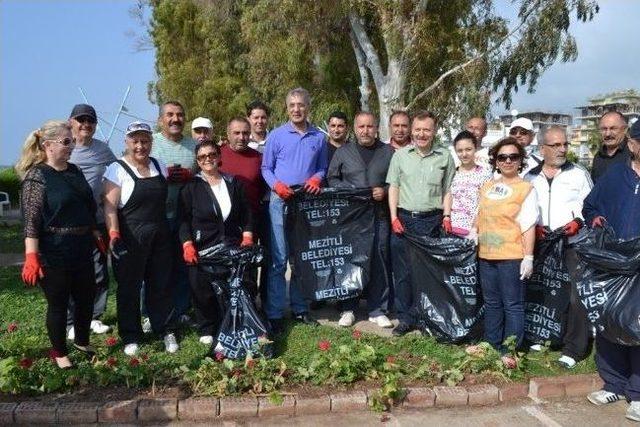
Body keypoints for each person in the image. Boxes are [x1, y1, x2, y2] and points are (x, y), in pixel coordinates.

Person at [16, 120, 100, 369]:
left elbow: (86, 205)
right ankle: (60, 352)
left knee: (87, 297)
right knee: (59, 303)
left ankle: (82, 342)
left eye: (71, 141)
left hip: (82, 247)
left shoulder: (74, 171)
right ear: (48, 145)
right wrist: (32, 256)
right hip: (54, 251)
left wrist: (96, 233)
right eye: (66, 142)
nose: (71, 145)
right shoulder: (36, 177)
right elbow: (31, 221)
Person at [103, 122, 178, 356]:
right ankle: (130, 335)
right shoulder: (116, 169)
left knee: (161, 284)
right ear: (126, 142)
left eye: (144, 140)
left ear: (151, 142)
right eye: (135, 141)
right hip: (130, 237)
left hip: (160, 234)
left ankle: (164, 329)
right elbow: (109, 206)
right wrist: (114, 234)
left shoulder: (159, 166)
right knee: (129, 287)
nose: (140, 146)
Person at [582, 118, 640, 421]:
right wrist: (596, 220)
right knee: (609, 321)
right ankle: (613, 382)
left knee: (638, 325)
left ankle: (638, 392)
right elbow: (590, 206)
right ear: (632, 145)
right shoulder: (616, 175)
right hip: (613, 262)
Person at [261, 87, 328, 334]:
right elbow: (266, 168)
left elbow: (322, 168)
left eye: (301, 105)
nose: (297, 109)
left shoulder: (318, 138)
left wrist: (317, 179)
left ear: (308, 107)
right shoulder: (276, 136)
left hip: (305, 202)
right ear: (286, 108)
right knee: (279, 260)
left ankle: (300, 308)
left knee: (300, 259)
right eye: (292, 105)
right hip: (280, 200)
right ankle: (275, 313)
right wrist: (276, 186)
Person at [524, 126, 593, 368]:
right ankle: (543, 336)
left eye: (565, 144)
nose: (562, 149)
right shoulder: (530, 176)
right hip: (543, 243)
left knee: (576, 295)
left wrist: (578, 221)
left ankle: (574, 348)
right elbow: (524, 209)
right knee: (544, 292)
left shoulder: (578, 174)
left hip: (573, 243)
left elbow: (591, 206)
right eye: (556, 145)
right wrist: (534, 228)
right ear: (542, 148)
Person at [386, 111, 455, 336]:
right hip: (404, 221)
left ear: (434, 131)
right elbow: (393, 187)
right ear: (412, 131)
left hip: (432, 221)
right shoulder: (400, 156)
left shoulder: (445, 156)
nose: (421, 134)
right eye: (418, 129)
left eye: (427, 130)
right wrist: (394, 217)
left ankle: (427, 319)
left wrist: (446, 216)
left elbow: (448, 190)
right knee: (403, 273)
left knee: (428, 274)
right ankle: (405, 318)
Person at [178, 141, 254, 345]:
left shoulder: (233, 183)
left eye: (211, 154)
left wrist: (247, 236)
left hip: (231, 244)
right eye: (202, 157)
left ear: (219, 157)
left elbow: (246, 214)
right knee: (201, 287)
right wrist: (187, 244)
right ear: (197, 161)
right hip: (203, 246)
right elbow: (183, 220)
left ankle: (236, 322)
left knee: (240, 284)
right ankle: (207, 327)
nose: (208, 159)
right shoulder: (191, 187)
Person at [474, 137, 538, 368]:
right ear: (496, 161)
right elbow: (481, 214)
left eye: (513, 157)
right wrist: (474, 231)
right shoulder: (488, 186)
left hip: (512, 256)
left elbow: (528, 225)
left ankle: (510, 349)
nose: (508, 161)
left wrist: (528, 257)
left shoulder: (526, 189)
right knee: (492, 303)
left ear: (521, 160)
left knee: (512, 304)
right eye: (503, 157)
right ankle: (491, 344)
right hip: (487, 255)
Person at [327, 111, 394, 328]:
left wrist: (384, 191)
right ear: (355, 129)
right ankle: (348, 308)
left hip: (379, 216)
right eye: (361, 127)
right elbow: (332, 178)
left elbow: (397, 181)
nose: (365, 131)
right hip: (352, 218)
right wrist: (350, 190)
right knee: (350, 261)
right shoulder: (343, 152)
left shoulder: (388, 152)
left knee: (379, 260)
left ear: (376, 128)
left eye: (370, 126)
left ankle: (377, 309)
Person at [66, 104, 116, 341]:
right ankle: (69, 321)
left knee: (98, 270)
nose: (86, 124)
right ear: (71, 122)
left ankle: (95, 316)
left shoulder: (103, 150)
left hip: (96, 222)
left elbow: (117, 174)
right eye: (81, 119)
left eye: (91, 121)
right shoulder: (63, 146)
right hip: (67, 223)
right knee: (69, 272)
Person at [151, 101, 197, 325]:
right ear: (161, 120)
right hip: (156, 215)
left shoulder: (193, 145)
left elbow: (204, 176)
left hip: (183, 216)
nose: (175, 119)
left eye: (179, 115)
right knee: (155, 268)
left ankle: (181, 310)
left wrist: (191, 176)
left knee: (182, 266)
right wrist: (162, 176)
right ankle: (150, 312)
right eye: (169, 115)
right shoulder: (151, 143)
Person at [218, 117, 268, 303]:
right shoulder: (218, 155)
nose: (241, 137)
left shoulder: (258, 158)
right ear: (228, 134)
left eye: (245, 133)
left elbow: (263, 187)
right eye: (237, 133)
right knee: (226, 265)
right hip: (224, 222)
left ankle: (250, 303)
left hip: (251, 219)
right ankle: (226, 306)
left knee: (248, 265)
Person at [443, 130, 492, 239]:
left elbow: (484, 204)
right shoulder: (452, 173)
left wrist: (475, 228)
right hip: (450, 231)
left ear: (475, 148)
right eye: (460, 151)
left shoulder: (485, 173)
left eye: (468, 149)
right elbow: (448, 197)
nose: (464, 154)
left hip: (473, 232)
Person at [590, 111, 629, 183]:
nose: (608, 134)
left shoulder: (633, 153)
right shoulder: (598, 157)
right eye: (604, 129)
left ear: (625, 129)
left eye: (613, 128)